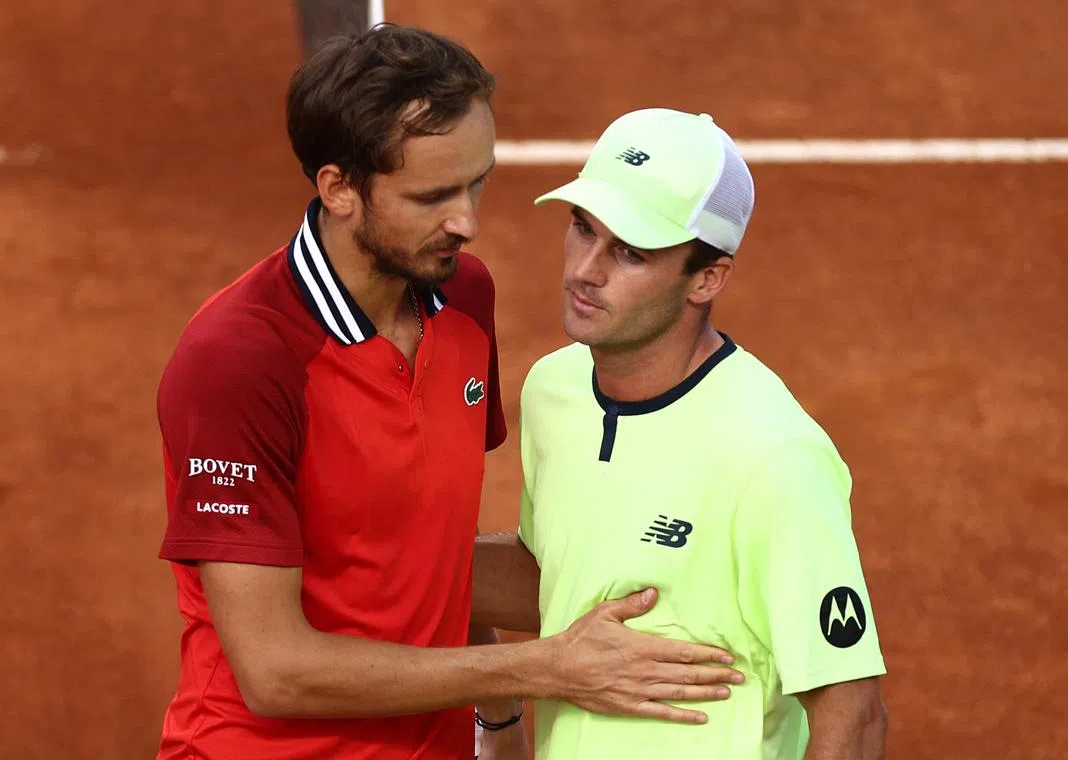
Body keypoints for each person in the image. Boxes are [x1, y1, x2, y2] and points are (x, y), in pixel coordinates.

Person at [153, 28, 745, 760]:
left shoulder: (463, 295)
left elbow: (433, 552)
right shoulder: (240, 360)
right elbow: (275, 672)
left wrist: (497, 722)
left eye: (477, 182)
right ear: (339, 189)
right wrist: (538, 668)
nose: (467, 221)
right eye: (432, 196)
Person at [473, 108, 889, 759]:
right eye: (583, 228)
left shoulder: (772, 454)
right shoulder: (554, 391)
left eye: (630, 252)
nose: (586, 269)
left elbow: (853, 712)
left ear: (707, 278)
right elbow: (559, 579)